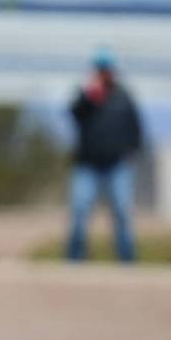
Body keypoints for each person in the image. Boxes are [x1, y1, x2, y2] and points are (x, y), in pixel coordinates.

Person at [66, 49, 142, 262]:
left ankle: (127, 260)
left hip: (117, 164)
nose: (103, 73)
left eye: (106, 69)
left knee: (122, 212)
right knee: (80, 211)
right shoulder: (86, 95)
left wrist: (133, 151)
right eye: (99, 69)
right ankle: (74, 259)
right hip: (87, 164)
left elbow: (136, 127)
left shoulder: (124, 96)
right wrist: (90, 97)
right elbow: (74, 114)